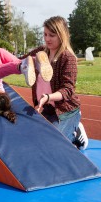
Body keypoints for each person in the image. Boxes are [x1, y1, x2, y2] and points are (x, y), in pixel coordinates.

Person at [23, 16, 88, 150]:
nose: (47, 39)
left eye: (51, 35)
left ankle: (75, 133)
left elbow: (68, 89)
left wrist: (48, 97)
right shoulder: (40, 52)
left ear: (61, 35)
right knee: (33, 141)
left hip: (65, 110)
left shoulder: (68, 58)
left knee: (51, 145)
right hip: (46, 109)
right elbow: (19, 62)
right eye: (45, 34)